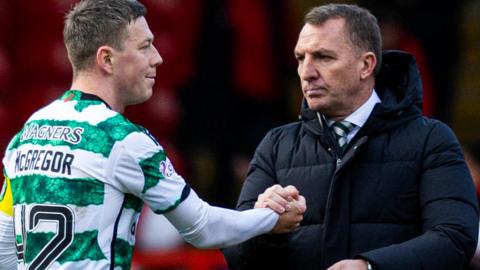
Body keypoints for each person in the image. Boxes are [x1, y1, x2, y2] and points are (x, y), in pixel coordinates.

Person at [0, 0, 306, 269]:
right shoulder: (121, 139)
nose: (157, 58)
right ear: (106, 59)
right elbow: (202, 228)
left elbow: (4, 251)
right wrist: (269, 217)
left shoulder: (26, 135)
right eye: (145, 46)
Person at [222, 4, 478, 270]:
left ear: (366, 65)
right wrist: (262, 226)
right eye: (300, 58)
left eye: (323, 57)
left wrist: (371, 267)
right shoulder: (275, 146)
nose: (306, 72)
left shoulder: (431, 140)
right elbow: (237, 256)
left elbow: (455, 238)